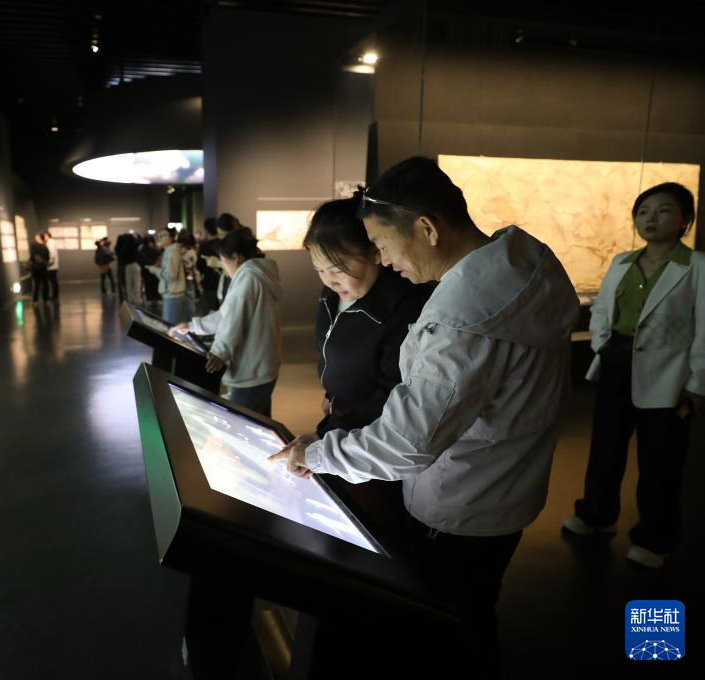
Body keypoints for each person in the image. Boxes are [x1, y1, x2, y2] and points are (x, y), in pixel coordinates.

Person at [269, 157, 579, 677]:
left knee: (450, 629)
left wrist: (317, 454)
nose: (386, 260)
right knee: (470, 614)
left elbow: (407, 442)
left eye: (383, 244)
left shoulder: (463, 320)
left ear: (427, 229)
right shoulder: (520, 272)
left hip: (461, 503)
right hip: (504, 489)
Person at [563, 182, 704, 568]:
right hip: (616, 364)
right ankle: (596, 514)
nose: (651, 218)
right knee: (605, 448)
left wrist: (695, 385)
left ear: (685, 219)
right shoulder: (622, 262)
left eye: (663, 210)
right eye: (643, 212)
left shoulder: (697, 267)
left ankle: (656, 539)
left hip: (668, 375)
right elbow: (602, 310)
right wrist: (602, 345)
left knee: (661, 460)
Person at [305, 196, 433, 437]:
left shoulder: (403, 307)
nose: (329, 281)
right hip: (340, 416)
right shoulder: (331, 295)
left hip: (372, 434)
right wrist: (333, 397)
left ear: (376, 252)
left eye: (337, 270)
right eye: (319, 270)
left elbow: (394, 393)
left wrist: (334, 430)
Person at [172, 228, 283, 417]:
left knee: (244, 423)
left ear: (235, 258)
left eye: (223, 261)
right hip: (261, 366)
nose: (223, 266)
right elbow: (226, 315)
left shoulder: (248, 278)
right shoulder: (256, 275)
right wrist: (192, 326)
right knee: (259, 421)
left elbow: (233, 320)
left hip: (252, 370)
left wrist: (219, 351)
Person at [146, 228, 187, 324]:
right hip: (171, 293)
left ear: (172, 238)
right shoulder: (169, 251)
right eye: (159, 235)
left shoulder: (172, 251)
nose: (161, 237)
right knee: (171, 324)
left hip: (173, 294)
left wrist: (155, 270)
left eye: (164, 235)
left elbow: (170, 276)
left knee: (170, 326)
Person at [196, 217, 221, 314]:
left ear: (206, 230)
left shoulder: (204, 246)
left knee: (207, 315)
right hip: (222, 282)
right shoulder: (223, 244)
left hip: (209, 283)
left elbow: (199, 266)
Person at [114, 231, 139, 302]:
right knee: (130, 283)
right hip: (129, 266)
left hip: (120, 266)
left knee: (121, 283)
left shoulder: (118, 248)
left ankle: (122, 298)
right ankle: (130, 297)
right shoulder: (131, 246)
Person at [30, 232, 50, 302]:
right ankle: (45, 299)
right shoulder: (45, 246)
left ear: (39, 237)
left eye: (37, 236)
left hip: (37, 268)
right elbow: (47, 257)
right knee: (44, 283)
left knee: (37, 284)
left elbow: (33, 256)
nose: (35, 237)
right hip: (42, 267)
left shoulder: (34, 245)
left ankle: (36, 300)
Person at [43, 231, 60, 301]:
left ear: (47, 236)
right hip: (53, 265)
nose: (43, 237)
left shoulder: (50, 242)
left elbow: (52, 253)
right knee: (53, 281)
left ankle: (55, 295)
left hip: (52, 265)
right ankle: (55, 295)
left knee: (53, 281)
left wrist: (49, 262)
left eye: (44, 236)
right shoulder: (51, 242)